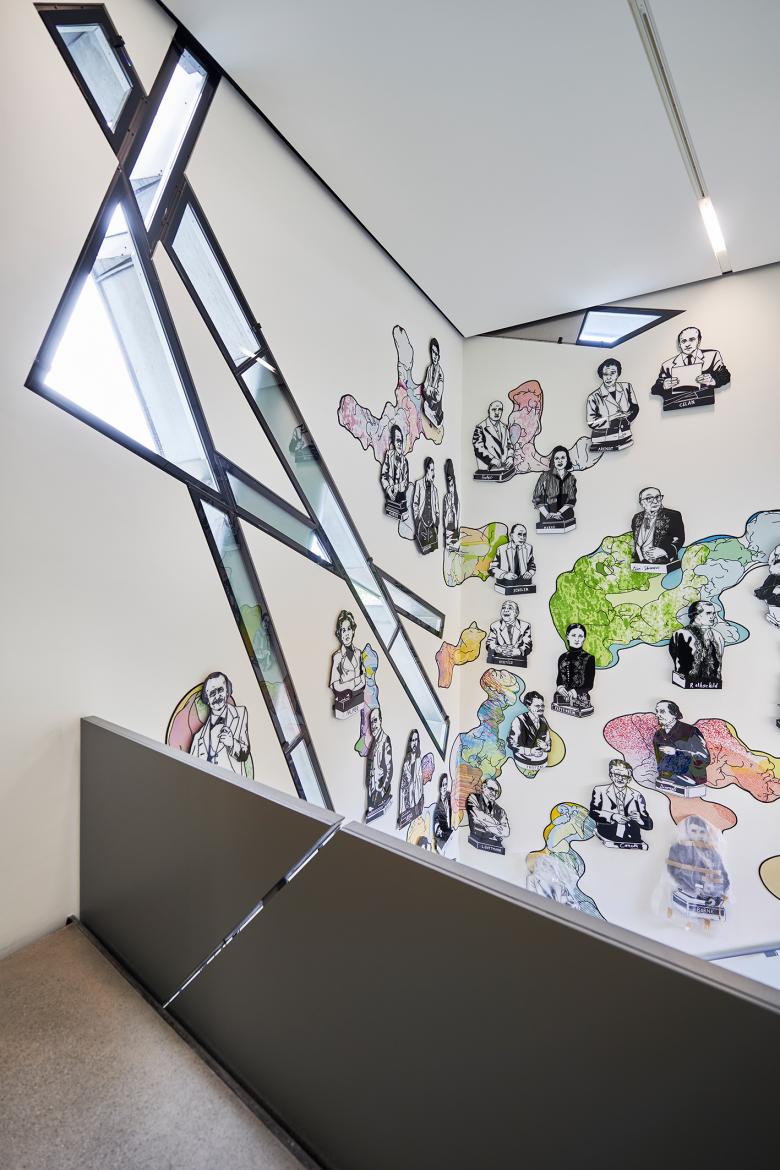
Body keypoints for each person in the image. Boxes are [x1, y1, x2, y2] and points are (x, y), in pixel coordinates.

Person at [666, 816, 730, 920]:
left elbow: (722, 874)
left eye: (702, 832)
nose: (698, 835)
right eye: (694, 831)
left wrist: (718, 889)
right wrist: (698, 883)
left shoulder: (711, 851)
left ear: (706, 833)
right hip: (686, 892)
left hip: (709, 896)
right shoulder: (678, 848)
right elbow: (674, 871)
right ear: (687, 830)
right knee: (683, 916)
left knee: (707, 917)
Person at [650, 326, 731, 408]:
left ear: (699, 341)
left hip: (704, 401)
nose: (687, 344)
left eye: (692, 339)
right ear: (679, 344)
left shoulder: (712, 355)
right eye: (683, 341)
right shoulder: (667, 365)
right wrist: (664, 385)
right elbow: (654, 389)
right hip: (678, 405)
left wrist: (713, 381)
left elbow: (725, 376)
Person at [190, 671, 252, 777]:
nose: (217, 696)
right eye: (212, 693)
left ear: (227, 691)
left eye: (220, 690)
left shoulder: (240, 714)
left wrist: (231, 743)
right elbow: (191, 770)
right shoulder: (198, 737)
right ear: (207, 699)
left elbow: (245, 753)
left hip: (234, 784)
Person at [589, 760, 653, 850]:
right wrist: (613, 816)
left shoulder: (637, 795)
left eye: (624, 776)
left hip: (633, 838)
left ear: (629, 779)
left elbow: (649, 825)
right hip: (607, 835)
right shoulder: (599, 790)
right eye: (616, 775)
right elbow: (593, 812)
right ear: (611, 775)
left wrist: (639, 819)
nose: (620, 779)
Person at [652, 699, 710, 795]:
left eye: (662, 711)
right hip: (665, 780)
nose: (657, 715)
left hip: (689, 780)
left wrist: (676, 752)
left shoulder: (691, 731)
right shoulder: (658, 734)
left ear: (674, 714)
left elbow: (704, 757)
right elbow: (659, 760)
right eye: (657, 711)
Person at [586, 358, 639, 452]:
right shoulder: (593, 397)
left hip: (625, 436)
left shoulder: (627, 387)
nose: (608, 377)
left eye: (612, 373)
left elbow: (635, 408)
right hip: (602, 440)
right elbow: (591, 422)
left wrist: (627, 417)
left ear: (618, 374)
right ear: (601, 375)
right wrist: (612, 417)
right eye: (605, 374)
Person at [669, 601, 724, 688]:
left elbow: (719, 664)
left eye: (713, 613)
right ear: (696, 615)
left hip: (712, 685)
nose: (713, 616)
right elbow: (677, 662)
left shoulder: (718, 636)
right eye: (708, 613)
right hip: (685, 685)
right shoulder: (681, 634)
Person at [631, 487, 685, 567]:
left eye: (657, 497)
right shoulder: (636, 517)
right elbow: (636, 541)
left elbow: (679, 539)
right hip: (640, 563)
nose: (655, 501)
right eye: (649, 498)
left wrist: (664, 551)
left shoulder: (673, 515)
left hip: (664, 563)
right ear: (641, 503)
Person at [330, 610, 366, 718]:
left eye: (349, 629)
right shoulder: (337, 657)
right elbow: (335, 686)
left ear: (353, 631)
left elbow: (363, 679)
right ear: (339, 634)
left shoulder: (359, 653)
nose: (347, 633)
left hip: (358, 703)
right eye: (343, 630)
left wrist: (350, 684)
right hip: (344, 708)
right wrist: (354, 683)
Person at [553, 623, 595, 713]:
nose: (577, 639)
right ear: (567, 636)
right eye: (573, 635)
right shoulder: (562, 657)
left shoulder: (589, 658)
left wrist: (575, 691)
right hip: (561, 698)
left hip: (581, 699)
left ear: (584, 638)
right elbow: (559, 678)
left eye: (580, 636)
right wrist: (560, 687)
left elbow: (589, 684)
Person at [532, 446, 577, 530]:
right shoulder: (545, 476)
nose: (560, 461)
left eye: (563, 457)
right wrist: (547, 515)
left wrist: (559, 513)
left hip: (566, 516)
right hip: (547, 516)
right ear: (553, 461)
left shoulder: (571, 478)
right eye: (556, 458)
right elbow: (537, 498)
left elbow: (572, 499)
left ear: (567, 460)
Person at [466, 777, 510, 854]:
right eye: (491, 789)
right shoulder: (473, 798)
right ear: (484, 787)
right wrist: (497, 824)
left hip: (494, 849)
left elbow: (506, 832)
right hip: (475, 845)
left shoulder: (500, 811)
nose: (494, 793)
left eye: (496, 791)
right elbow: (479, 817)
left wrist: (485, 825)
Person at [508, 691, 551, 769]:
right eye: (537, 706)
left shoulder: (544, 722)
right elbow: (511, 744)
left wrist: (545, 746)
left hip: (541, 762)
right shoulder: (519, 720)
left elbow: (548, 744)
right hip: (522, 762)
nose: (541, 708)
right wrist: (530, 751)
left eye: (542, 706)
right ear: (528, 706)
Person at [472, 400, 515, 477]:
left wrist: (510, 457)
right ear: (488, 411)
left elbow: (509, 445)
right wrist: (491, 459)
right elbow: (478, 448)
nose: (497, 412)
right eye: (494, 409)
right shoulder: (480, 427)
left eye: (500, 410)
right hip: (487, 469)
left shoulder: (505, 427)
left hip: (504, 469)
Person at [490, 522, 536, 592]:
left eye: (524, 535)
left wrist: (530, 572)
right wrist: (505, 575)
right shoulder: (502, 549)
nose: (522, 538)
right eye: (519, 534)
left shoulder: (529, 548)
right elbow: (492, 569)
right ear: (511, 536)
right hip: (506, 583)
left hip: (524, 583)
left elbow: (531, 565)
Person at [365, 706, 393, 821]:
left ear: (380, 720)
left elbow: (389, 768)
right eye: (371, 722)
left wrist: (383, 788)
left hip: (379, 790)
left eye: (375, 720)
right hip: (372, 789)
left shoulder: (385, 739)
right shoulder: (374, 742)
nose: (373, 725)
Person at [486, 599, 532, 665]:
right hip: (499, 661)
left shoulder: (525, 626)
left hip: (518, 661)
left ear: (516, 613)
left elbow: (527, 645)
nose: (506, 610)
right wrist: (498, 648)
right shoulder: (494, 626)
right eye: (503, 608)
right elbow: (489, 644)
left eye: (510, 608)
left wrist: (517, 651)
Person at [380, 423, 410, 518]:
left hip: (400, 496)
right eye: (397, 441)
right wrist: (388, 489)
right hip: (390, 496)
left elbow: (405, 483)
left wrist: (396, 488)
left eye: (401, 441)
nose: (400, 444)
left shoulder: (404, 461)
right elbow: (384, 476)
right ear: (393, 441)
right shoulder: (389, 455)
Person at [412, 456, 440, 553]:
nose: (433, 473)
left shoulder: (435, 489)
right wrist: (417, 518)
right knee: (423, 547)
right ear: (426, 469)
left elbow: (436, 507)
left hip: (432, 523)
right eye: (432, 470)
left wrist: (437, 521)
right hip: (422, 521)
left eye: (433, 470)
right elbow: (415, 502)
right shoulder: (419, 484)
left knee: (432, 547)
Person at [397, 729, 423, 828]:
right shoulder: (406, 760)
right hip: (407, 801)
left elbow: (419, 784)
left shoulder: (418, 760)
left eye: (416, 740)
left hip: (415, 802)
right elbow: (403, 785)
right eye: (412, 740)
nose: (414, 743)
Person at [754, 544, 780, 628]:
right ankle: (776, 619)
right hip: (776, 606)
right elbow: (760, 593)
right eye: (777, 558)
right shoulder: (773, 578)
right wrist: (774, 590)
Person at [421, 337, 444, 427]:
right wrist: (430, 390)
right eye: (433, 353)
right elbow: (424, 388)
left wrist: (428, 390)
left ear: (439, 356)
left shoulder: (440, 374)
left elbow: (438, 396)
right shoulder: (429, 369)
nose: (434, 356)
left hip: (436, 412)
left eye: (436, 354)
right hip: (428, 408)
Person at [441, 458, 460, 549]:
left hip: (453, 528)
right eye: (450, 485)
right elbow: (445, 516)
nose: (450, 488)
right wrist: (449, 509)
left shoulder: (456, 499)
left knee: (454, 549)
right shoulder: (446, 498)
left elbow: (456, 516)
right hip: (449, 528)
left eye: (452, 485)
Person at [432, 773, 453, 853]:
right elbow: (435, 820)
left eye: (445, 784)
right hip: (444, 837)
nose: (444, 787)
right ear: (439, 787)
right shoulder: (437, 804)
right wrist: (438, 829)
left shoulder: (449, 796)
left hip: (451, 833)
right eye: (442, 785)